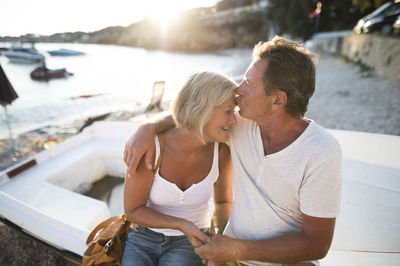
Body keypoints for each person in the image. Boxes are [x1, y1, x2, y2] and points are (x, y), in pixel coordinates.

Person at [123, 36, 342, 266]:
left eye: (248, 82)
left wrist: (236, 250)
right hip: (231, 259)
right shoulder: (239, 124)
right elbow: (195, 115)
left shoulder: (321, 151)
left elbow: (317, 244)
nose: (239, 89)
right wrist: (147, 127)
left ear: (278, 100)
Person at [122, 71, 237, 265]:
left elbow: (223, 202)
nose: (234, 120)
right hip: (143, 237)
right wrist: (181, 224)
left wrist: (218, 236)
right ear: (202, 111)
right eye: (228, 112)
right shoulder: (152, 146)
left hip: (191, 242)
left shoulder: (222, 151)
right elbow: (133, 210)